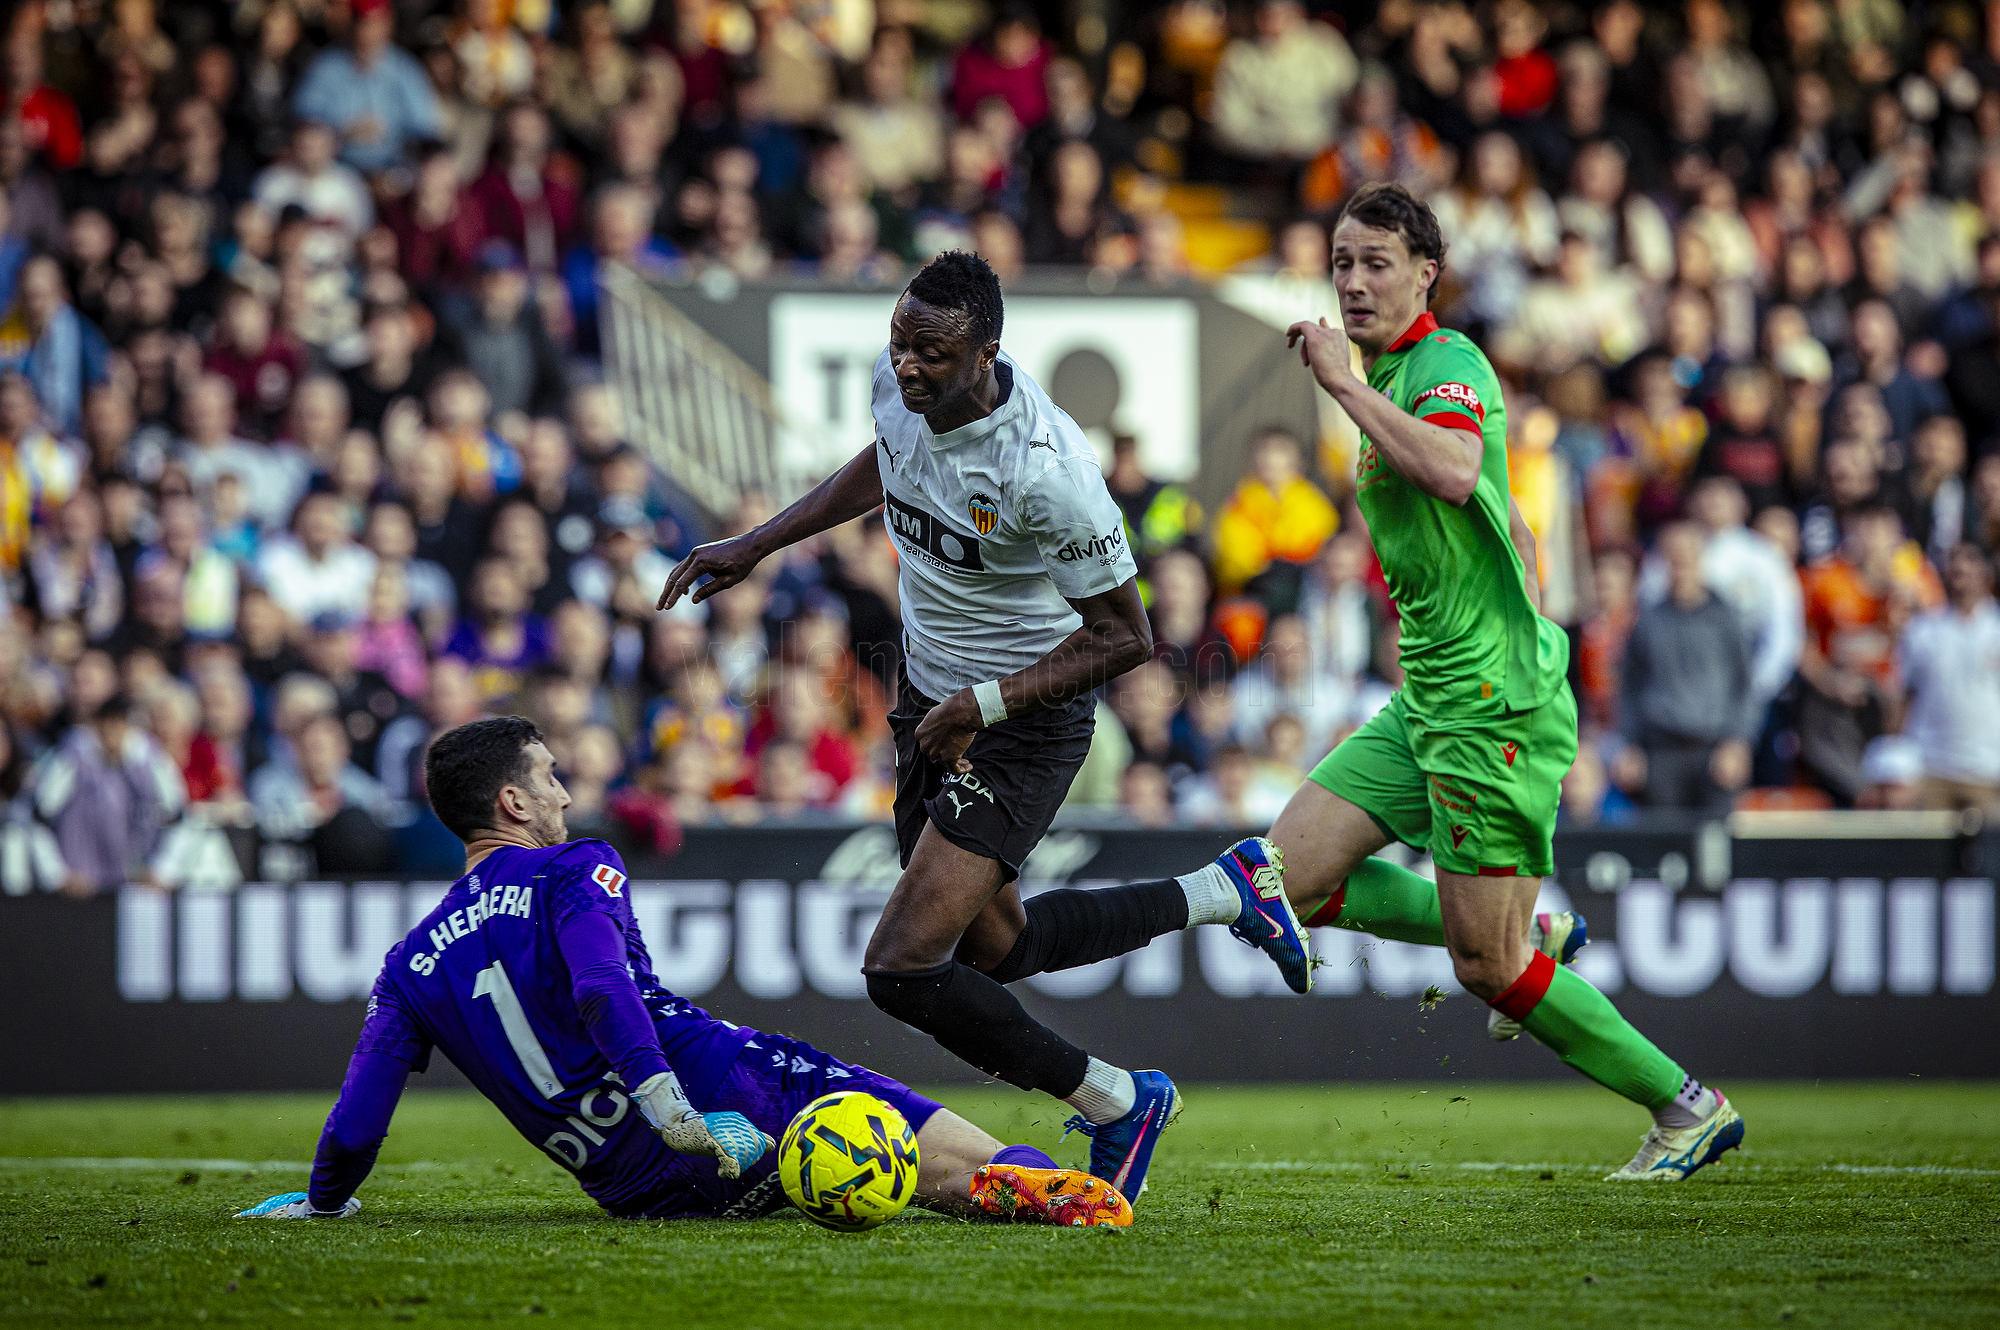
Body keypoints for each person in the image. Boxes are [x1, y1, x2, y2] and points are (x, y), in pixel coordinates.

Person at [659, 252, 1309, 1202]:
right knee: (998, 950)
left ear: (986, 354)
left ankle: (1117, 1100)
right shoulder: (902, 389)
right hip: (931, 703)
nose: (906, 365)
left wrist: (984, 705)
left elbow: (1128, 638)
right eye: (899, 343)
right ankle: (1224, 890)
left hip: (1021, 717)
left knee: (901, 969)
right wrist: (758, 543)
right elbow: (888, 464)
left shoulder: (1048, 472)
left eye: (929, 352)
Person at [1277, 183, 1742, 1180]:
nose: (1353, 282)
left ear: (1426, 274)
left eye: (1375, 263)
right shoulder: (1391, 376)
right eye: (1342, 262)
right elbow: (1507, 521)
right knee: (1287, 878)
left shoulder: (1442, 365)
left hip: (1486, 707)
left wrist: (1342, 387)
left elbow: (1453, 470)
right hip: (1431, 698)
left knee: (1484, 966)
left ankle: (1684, 1106)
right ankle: (1536, 930)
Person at [236, 717, 1134, 1227]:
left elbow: (356, 1123)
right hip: (721, 1096)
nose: (564, 793)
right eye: (549, 778)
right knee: (958, 1164)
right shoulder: (573, 868)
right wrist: (673, 1109)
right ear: (512, 802)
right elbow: (602, 988)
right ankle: (1037, 1184)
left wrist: (323, 1203)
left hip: (638, 1191)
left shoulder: (409, 964)